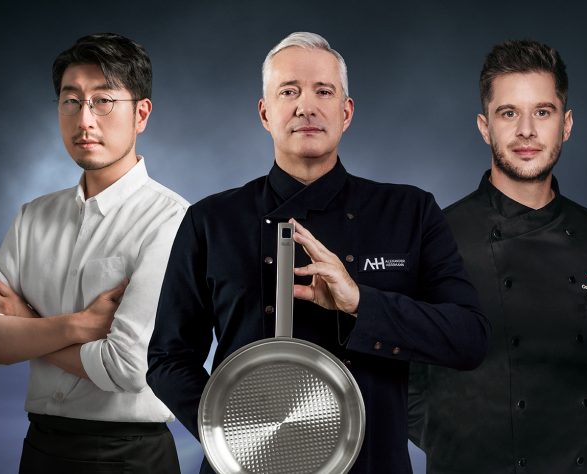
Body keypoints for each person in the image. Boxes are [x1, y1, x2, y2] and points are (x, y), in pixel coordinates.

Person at [146, 32, 489, 473]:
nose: (305, 106)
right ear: (265, 113)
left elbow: (469, 339)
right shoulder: (211, 220)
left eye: (323, 91)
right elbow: (168, 360)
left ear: (346, 112)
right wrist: (236, 434)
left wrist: (360, 303)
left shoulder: (409, 211)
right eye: (288, 91)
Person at [408, 39, 587, 473]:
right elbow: (404, 377)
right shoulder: (437, 237)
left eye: (542, 112)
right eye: (509, 113)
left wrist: (586, 424)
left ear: (566, 124)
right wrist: (452, 439)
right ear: (485, 127)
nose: (526, 130)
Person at [0, 33, 186, 473]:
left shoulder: (172, 220)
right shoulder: (33, 217)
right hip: (41, 449)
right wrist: (77, 326)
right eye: (71, 101)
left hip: (131, 456)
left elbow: (128, 368)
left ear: (141, 114)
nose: (85, 120)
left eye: (104, 101)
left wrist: (25, 328)